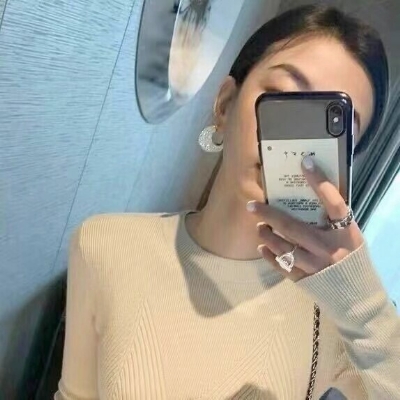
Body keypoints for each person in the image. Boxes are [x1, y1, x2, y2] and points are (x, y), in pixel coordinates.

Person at [55, 5, 400, 400]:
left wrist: (363, 306)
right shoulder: (104, 244)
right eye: (281, 98)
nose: (296, 147)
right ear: (224, 105)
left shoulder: (341, 322)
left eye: (332, 129)